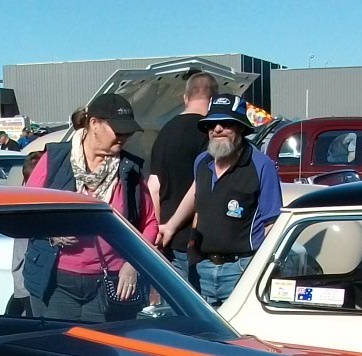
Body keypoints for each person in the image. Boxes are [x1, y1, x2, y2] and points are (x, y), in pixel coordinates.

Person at [24, 92, 158, 322]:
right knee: (60, 342)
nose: (124, 137)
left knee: (102, 345)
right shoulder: (55, 159)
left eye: (128, 132)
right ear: (94, 124)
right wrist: (52, 233)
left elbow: (150, 223)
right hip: (55, 284)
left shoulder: (129, 169)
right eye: (118, 130)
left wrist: (133, 264)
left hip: (111, 285)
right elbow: (25, 212)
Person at [157, 94, 282, 306]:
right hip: (202, 269)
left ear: (241, 128)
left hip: (241, 269)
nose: (217, 129)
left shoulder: (261, 165)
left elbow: (272, 224)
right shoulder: (201, 162)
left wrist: (259, 268)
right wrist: (171, 227)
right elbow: (196, 198)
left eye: (226, 124)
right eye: (211, 125)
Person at [148, 71, 215, 283]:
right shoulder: (210, 132)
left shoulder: (165, 132)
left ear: (185, 98)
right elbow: (200, 185)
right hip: (196, 242)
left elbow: (154, 186)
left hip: (167, 240)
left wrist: (157, 230)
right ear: (213, 100)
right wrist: (173, 226)